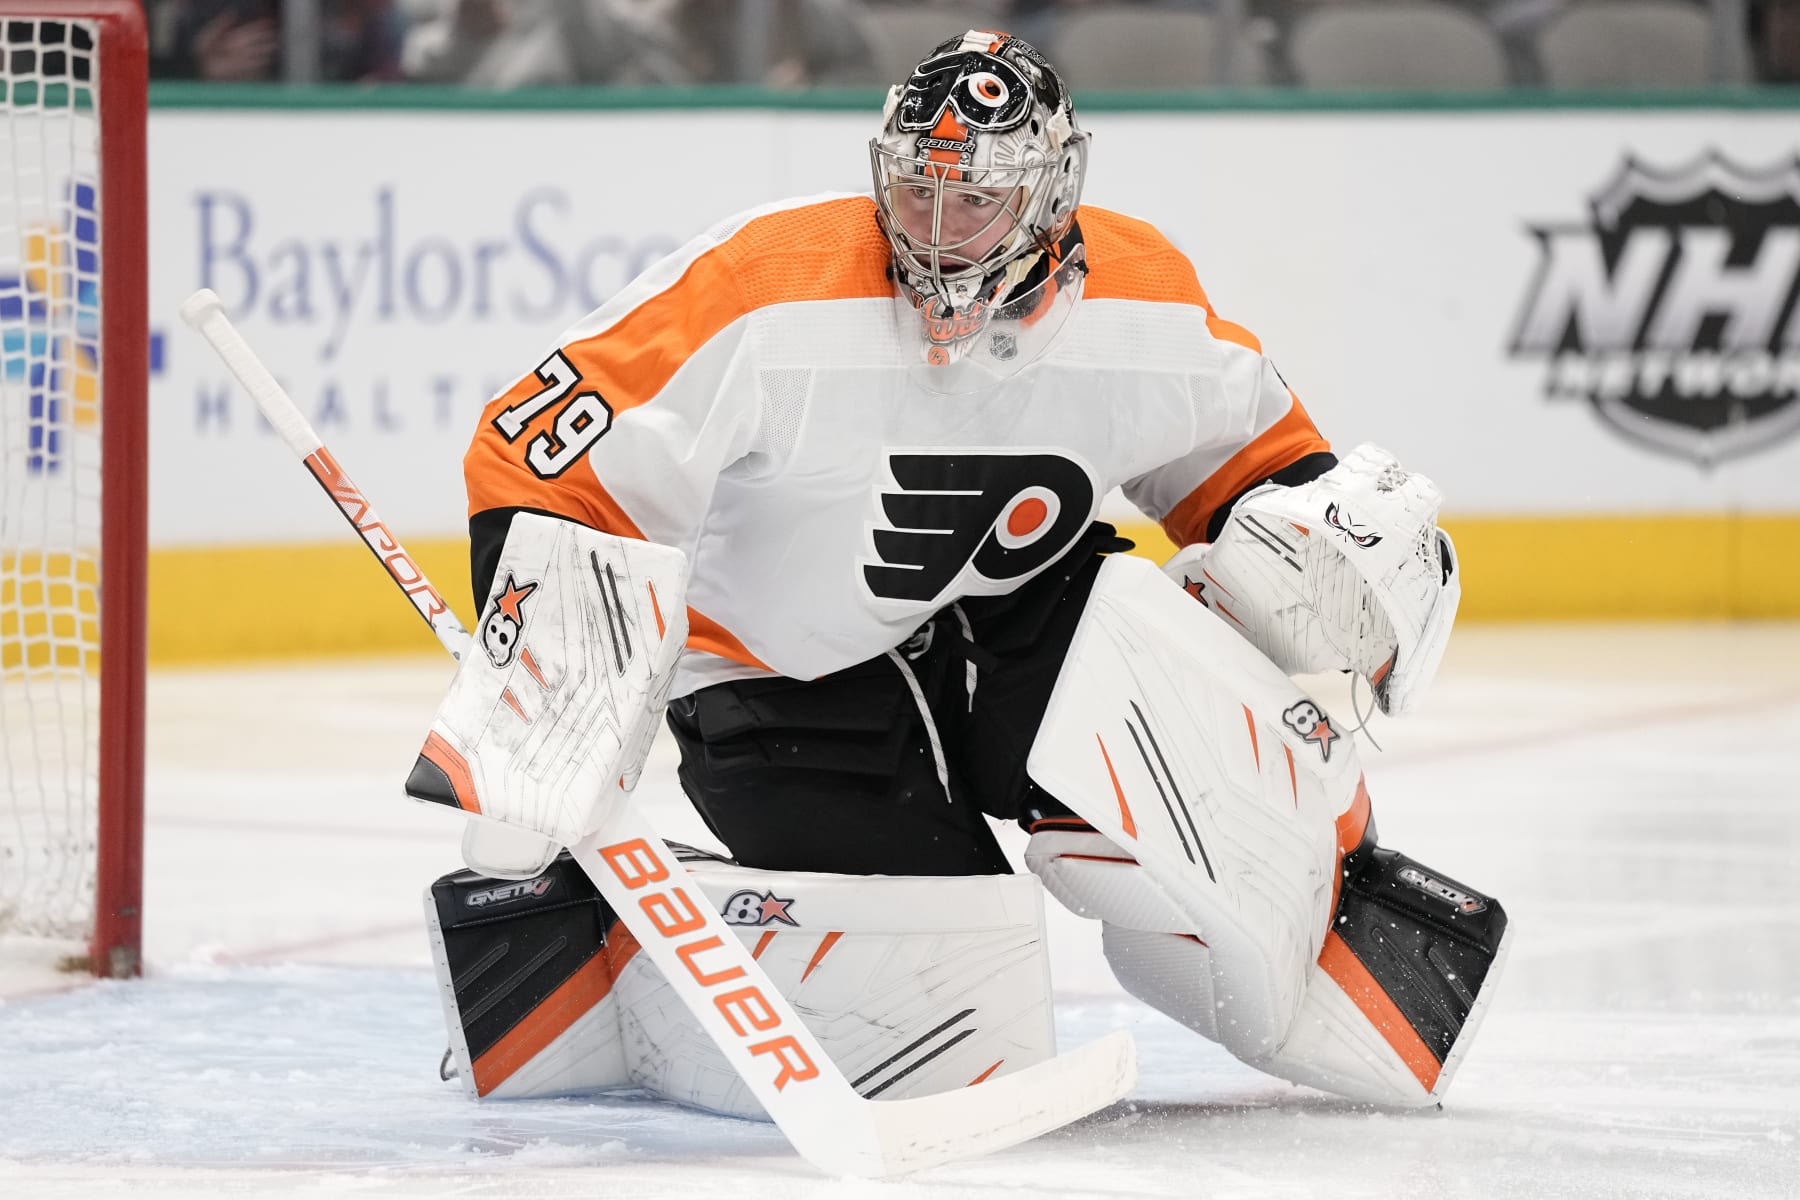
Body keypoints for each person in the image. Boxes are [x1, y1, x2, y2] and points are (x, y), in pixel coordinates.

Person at [407, 30, 1509, 1124]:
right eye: (914, 193)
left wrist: (1336, 569)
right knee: (949, 1006)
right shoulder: (764, 285)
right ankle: (583, 952)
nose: (932, 231)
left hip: (1016, 643)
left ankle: (1343, 912)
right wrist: (550, 709)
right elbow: (535, 447)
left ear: (1048, 199)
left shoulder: (1145, 303)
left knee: (1188, 660)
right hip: (783, 671)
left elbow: (1260, 485)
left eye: (971, 201)